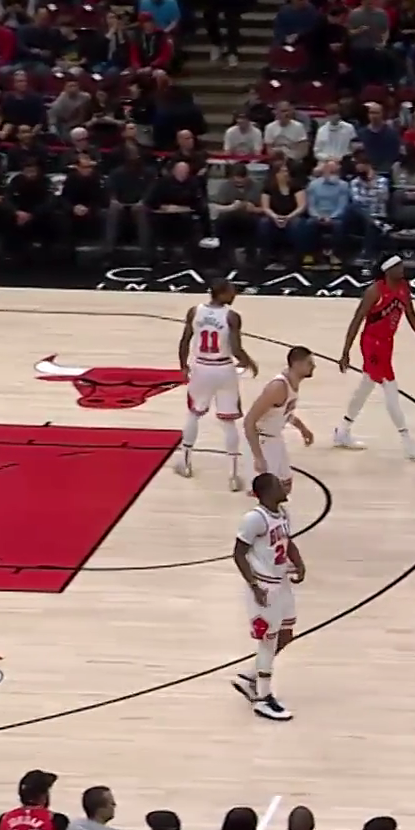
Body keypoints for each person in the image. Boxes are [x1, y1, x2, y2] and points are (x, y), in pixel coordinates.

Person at [332, 255, 415, 461]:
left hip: (387, 343)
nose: (402, 268)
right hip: (372, 344)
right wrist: (345, 352)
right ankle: (407, 442)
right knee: (390, 388)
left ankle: (343, 430)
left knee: (366, 386)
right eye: (397, 265)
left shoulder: (404, 287)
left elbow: (411, 315)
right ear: (387, 270)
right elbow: (357, 320)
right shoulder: (375, 291)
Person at [233, 472, 306, 720]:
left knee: (285, 634)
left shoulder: (282, 514)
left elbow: (287, 541)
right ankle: (263, 699)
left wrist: (299, 562)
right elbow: (238, 554)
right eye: (277, 484)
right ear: (266, 492)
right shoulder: (254, 518)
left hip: (281, 583)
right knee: (268, 640)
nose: (283, 486)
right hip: (264, 587)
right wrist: (254, 586)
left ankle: (251, 677)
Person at [174, 276, 258, 490]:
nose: (235, 294)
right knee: (228, 422)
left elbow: (185, 341)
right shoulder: (232, 316)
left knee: (194, 414)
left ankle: (185, 463)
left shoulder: (194, 311)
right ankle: (232, 476)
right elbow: (236, 349)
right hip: (224, 369)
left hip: (201, 367)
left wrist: (183, 365)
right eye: (231, 290)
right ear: (221, 293)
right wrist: (250, 362)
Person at [246, 345, 318, 497]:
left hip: (275, 438)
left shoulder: (292, 382)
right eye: (309, 363)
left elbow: (283, 413)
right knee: (267, 492)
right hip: (263, 441)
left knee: (285, 485)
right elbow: (249, 421)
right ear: (297, 364)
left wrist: (302, 428)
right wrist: (258, 457)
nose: (314, 366)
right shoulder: (277, 388)